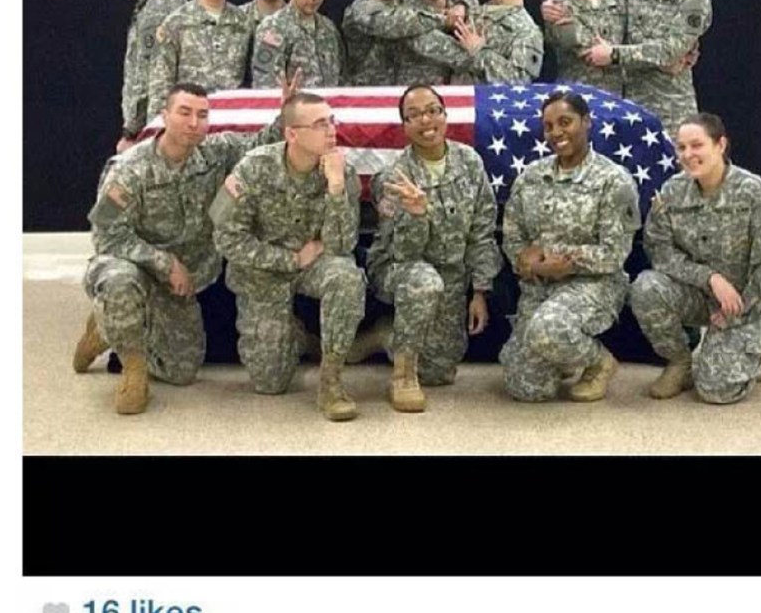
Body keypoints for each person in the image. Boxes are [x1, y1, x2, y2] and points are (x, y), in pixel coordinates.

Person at [72, 82, 284, 415]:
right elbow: (106, 234)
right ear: (165, 115)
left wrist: (286, 113)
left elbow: (262, 145)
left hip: (187, 276)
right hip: (135, 264)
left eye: (202, 115)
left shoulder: (216, 152)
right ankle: (133, 367)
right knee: (120, 282)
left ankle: (106, 329)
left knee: (181, 371)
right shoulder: (129, 169)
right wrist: (164, 262)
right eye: (184, 112)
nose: (193, 123)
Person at [211, 92, 365, 421]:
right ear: (291, 133)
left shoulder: (342, 171)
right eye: (320, 124)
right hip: (262, 270)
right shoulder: (252, 168)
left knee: (346, 277)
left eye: (332, 121)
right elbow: (224, 236)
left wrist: (336, 187)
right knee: (270, 382)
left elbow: (342, 246)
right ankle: (297, 338)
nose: (331, 131)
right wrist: (290, 260)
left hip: (315, 265)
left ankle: (331, 379)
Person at [630, 113, 761, 404]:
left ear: (720, 145)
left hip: (745, 301)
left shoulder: (756, 194)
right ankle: (680, 361)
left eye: (697, 145)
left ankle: (756, 346)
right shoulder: (672, 191)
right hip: (700, 293)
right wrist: (710, 278)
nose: (688, 155)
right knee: (645, 288)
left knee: (715, 390)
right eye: (681, 147)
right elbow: (660, 251)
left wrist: (737, 311)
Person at [364, 84, 501, 411]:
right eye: (414, 115)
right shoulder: (393, 178)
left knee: (439, 372)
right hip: (401, 268)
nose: (426, 120)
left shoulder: (469, 161)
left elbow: (482, 229)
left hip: (452, 273)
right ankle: (403, 375)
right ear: (405, 126)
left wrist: (480, 290)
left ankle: (384, 336)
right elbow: (403, 252)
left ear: (445, 115)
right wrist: (416, 215)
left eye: (433, 111)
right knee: (425, 282)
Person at [500, 93, 640, 402]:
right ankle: (560, 355)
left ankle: (599, 362)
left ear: (586, 122)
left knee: (547, 328)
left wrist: (567, 262)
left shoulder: (613, 181)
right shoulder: (531, 177)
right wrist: (530, 263)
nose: (557, 133)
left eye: (565, 122)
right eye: (549, 126)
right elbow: (512, 236)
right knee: (527, 389)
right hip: (539, 285)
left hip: (592, 284)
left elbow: (615, 253)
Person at [57, 0, 186, 149]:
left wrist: (135, 130)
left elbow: (151, 74)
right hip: (150, 123)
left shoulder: (162, 10)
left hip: (151, 125)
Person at [581, 0, 711, 136]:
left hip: (671, 114)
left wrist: (614, 54)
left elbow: (670, 51)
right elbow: (592, 0)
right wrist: (557, 6)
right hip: (628, 109)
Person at [147, 0, 250, 118]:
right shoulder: (176, 23)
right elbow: (160, 85)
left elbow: (251, 80)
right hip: (189, 122)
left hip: (232, 123)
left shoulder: (244, 23)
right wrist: (158, 131)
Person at [449, 0, 544, 83]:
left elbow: (519, 81)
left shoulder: (527, 30)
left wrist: (480, 51)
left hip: (485, 102)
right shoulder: (472, 11)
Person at [252, 0, 344, 87]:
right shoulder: (273, 27)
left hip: (327, 105)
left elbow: (342, 75)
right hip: (293, 106)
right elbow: (264, 81)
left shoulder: (329, 28)